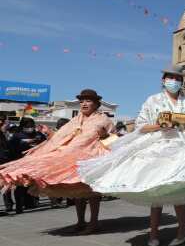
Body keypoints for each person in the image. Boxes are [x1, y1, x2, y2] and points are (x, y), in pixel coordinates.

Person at [79, 66, 185, 246]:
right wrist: (160, 125)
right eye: (171, 78)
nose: (174, 81)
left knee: (179, 188)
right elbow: (141, 126)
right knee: (156, 189)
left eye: (177, 78)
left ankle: (182, 230)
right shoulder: (153, 100)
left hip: (182, 146)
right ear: (163, 80)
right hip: (157, 146)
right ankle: (153, 233)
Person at [0, 91, 112, 230]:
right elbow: (60, 137)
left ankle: (93, 222)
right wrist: (51, 136)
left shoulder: (103, 120)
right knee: (77, 192)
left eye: (88, 100)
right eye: (82, 101)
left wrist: (104, 135)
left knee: (92, 192)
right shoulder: (75, 120)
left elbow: (103, 138)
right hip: (71, 159)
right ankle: (81, 222)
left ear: (96, 104)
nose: (84, 103)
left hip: (92, 157)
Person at [4, 117, 47, 214]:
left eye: (32, 126)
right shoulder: (17, 136)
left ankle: (30, 202)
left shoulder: (38, 135)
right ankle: (19, 206)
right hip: (20, 163)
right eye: (27, 126)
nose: (30, 128)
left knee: (32, 184)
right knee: (20, 185)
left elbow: (46, 144)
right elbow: (11, 149)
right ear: (22, 126)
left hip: (35, 163)